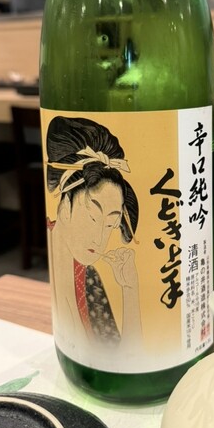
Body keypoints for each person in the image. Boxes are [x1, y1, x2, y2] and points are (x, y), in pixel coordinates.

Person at [45, 115, 142, 360]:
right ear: (65, 205)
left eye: (110, 225)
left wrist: (130, 289)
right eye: (92, 217)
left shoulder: (88, 278)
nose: (100, 238)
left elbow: (120, 362)